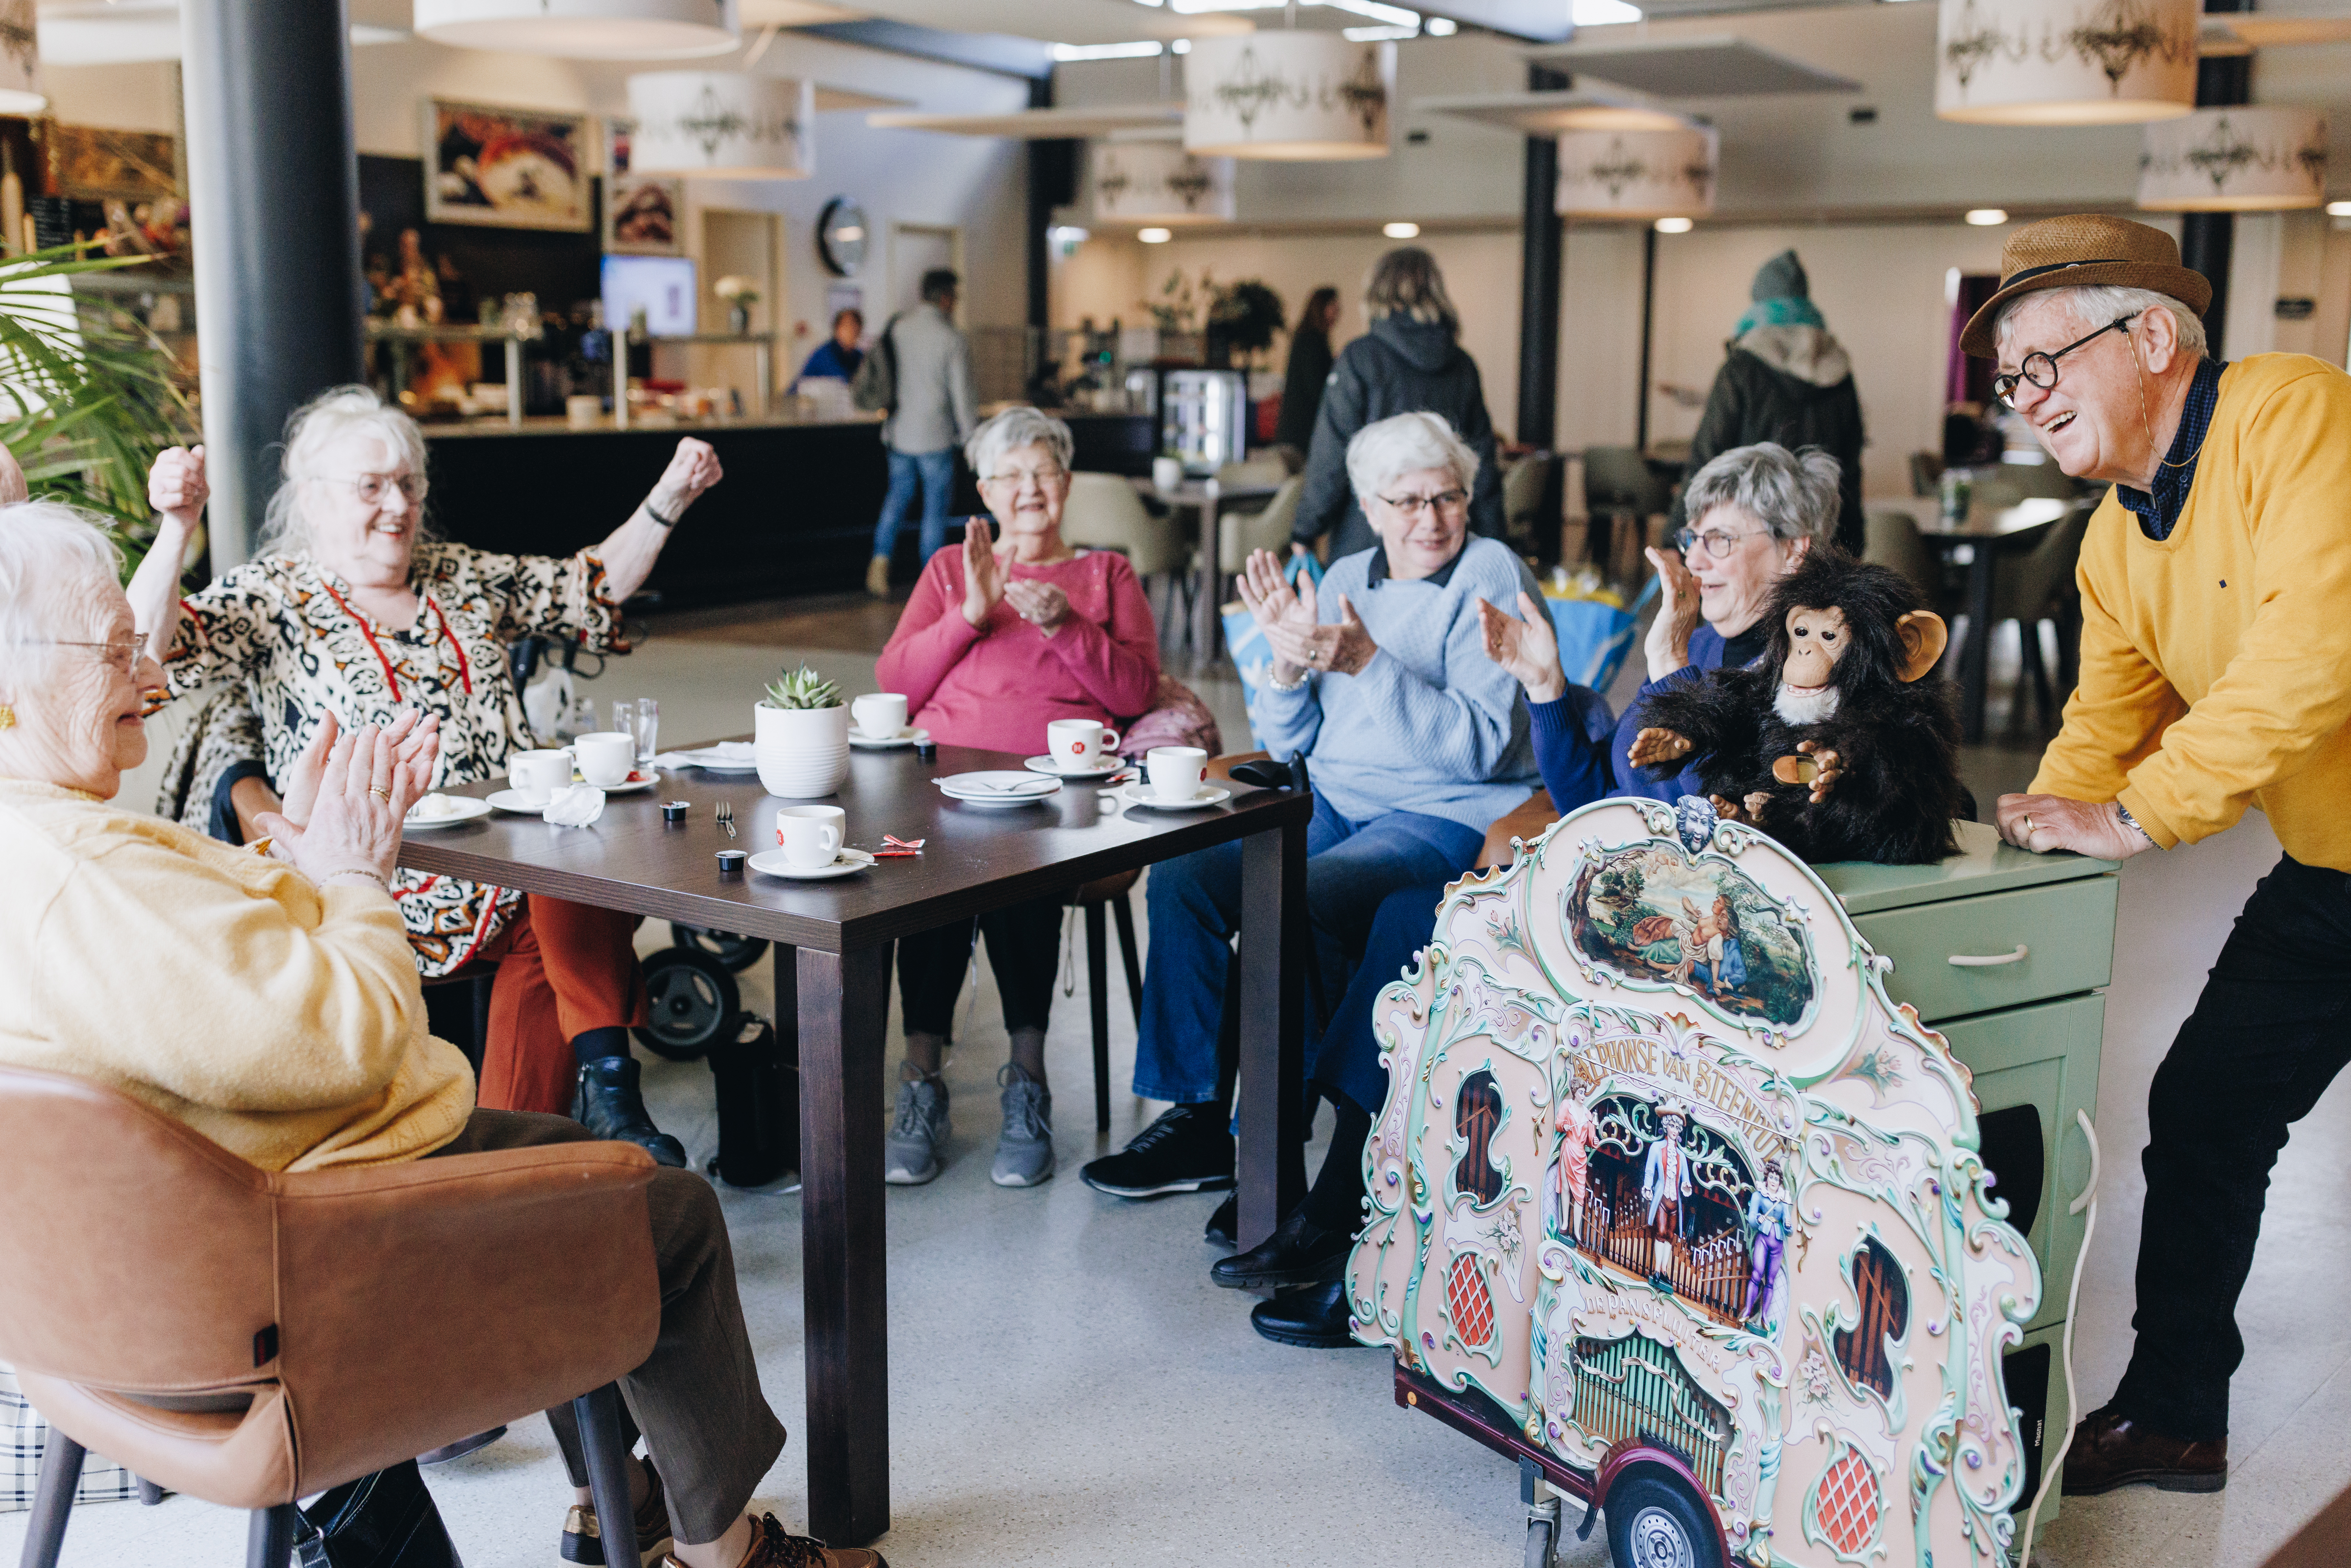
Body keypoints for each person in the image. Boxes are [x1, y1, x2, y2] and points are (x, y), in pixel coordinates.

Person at [0, 502, 869, 1568]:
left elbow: (213, 975)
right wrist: (357, 872)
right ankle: (725, 1552)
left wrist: (311, 850)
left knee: (569, 1170)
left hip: (108, 1304)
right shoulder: (93, 875)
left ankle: (618, 1494)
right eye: (120, 650)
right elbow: (350, 1036)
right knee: (664, 1211)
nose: (155, 678)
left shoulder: (35, 841)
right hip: (296, 1274)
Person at [1237, 440, 1838, 1348]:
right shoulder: (1704, 636)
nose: (1697, 558)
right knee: (1421, 920)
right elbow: (1594, 794)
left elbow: (1711, 814)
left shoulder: (1808, 660)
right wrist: (1548, 686)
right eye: (1695, 537)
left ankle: (1350, 1225)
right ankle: (1354, 1213)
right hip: (1624, 888)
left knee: (1422, 922)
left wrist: (1667, 669)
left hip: (1696, 934)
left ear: (1794, 551)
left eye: (1720, 539)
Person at [1974, 214, 2351, 1499]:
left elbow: (2317, 652)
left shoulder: (2294, 414)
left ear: (2151, 337)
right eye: (2010, 380)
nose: (2025, 401)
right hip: (2335, 872)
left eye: (2044, 363)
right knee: (2205, 1113)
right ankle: (2180, 1415)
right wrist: (2036, 829)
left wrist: (2140, 820)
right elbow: (2105, 721)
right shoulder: (2111, 540)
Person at [126, 385, 723, 1165]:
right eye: (371, 486)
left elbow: (590, 590)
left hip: (510, 865)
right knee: (562, 886)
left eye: (410, 483)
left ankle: (523, 1153)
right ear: (312, 497)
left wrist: (669, 496)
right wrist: (176, 529)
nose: (398, 504)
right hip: (377, 871)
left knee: (569, 871)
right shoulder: (275, 595)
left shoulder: (458, 575)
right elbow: (144, 654)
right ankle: (588, 1111)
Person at [1080, 411, 1541, 1212]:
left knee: (1302, 900)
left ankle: (1267, 1147)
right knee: (1185, 875)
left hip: (1443, 811)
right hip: (1330, 795)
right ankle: (1195, 1117)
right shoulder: (1344, 579)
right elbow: (1289, 739)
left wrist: (1366, 662)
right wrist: (1288, 668)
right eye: (1407, 502)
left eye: (1448, 498)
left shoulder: (1489, 574)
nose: (1430, 519)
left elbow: (1480, 748)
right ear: (1368, 503)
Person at [872, 406, 1159, 1188]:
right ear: (985, 491)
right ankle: (919, 1078)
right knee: (927, 869)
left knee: (1015, 861)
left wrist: (1066, 625)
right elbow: (895, 683)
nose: (1029, 490)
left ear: (1067, 483)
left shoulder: (1105, 575)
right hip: (939, 784)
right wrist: (970, 612)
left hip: (1055, 791)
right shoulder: (947, 571)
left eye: (1044, 473)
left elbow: (1135, 692)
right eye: (1012, 476)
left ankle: (1026, 1080)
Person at [1292, 249, 1504, 559]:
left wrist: (1305, 530)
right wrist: (1495, 543)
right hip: (1444, 547)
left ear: (1376, 292)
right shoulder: (1462, 366)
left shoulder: (1359, 359)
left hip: (1366, 542)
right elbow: (1482, 463)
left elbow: (1332, 456)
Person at [1670, 251, 1865, 557]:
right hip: (1822, 537)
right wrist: (1853, 547)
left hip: (1747, 537)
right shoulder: (1839, 371)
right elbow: (1849, 471)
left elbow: (1705, 459)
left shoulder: (1742, 366)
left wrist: (1676, 541)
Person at [865, 268, 976, 598]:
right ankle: (932, 583)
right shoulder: (952, 338)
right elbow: (963, 397)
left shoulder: (898, 328)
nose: (956, 303)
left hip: (899, 432)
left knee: (896, 500)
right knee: (934, 510)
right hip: (935, 436)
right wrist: (972, 438)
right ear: (945, 297)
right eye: (955, 296)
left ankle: (879, 564)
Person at [1273, 285, 1341, 458]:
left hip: (1293, 433)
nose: (1339, 312)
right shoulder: (1313, 342)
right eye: (1334, 306)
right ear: (1322, 308)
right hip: (1302, 435)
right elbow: (1316, 387)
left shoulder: (1306, 338)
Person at [795, 307, 864, 387]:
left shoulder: (858, 356)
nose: (851, 331)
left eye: (856, 327)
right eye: (847, 326)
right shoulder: (825, 354)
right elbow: (843, 383)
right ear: (837, 329)